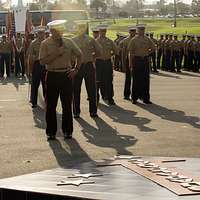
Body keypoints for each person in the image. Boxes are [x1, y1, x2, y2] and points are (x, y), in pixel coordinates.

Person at [39, 20, 83, 140]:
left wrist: (76, 69)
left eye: (61, 31)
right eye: (56, 31)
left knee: (67, 105)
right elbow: (42, 61)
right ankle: (51, 132)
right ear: (51, 31)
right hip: (52, 75)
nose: (59, 34)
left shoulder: (69, 42)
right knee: (51, 106)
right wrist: (56, 53)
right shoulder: (45, 44)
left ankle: (68, 131)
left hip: (66, 75)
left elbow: (80, 55)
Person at [72, 21, 102, 118]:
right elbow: (69, 53)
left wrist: (93, 58)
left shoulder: (91, 40)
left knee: (92, 89)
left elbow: (99, 51)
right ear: (77, 28)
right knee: (76, 90)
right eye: (79, 27)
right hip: (77, 66)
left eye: (82, 27)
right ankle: (76, 111)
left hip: (88, 66)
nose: (81, 29)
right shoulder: (72, 40)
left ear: (84, 29)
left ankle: (93, 111)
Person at [128, 24, 155, 104]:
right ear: (137, 30)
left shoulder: (147, 39)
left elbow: (153, 48)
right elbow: (130, 53)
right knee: (136, 80)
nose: (142, 31)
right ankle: (134, 98)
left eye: (143, 30)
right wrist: (130, 64)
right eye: (140, 30)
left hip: (145, 60)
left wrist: (147, 53)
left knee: (146, 80)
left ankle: (146, 98)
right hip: (137, 60)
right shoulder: (133, 40)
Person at [96, 24, 118, 105]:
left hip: (107, 62)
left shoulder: (110, 41)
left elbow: (116, 51)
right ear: (99, 32)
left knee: (109, 81)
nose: (103, 33)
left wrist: (109, 55)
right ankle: (96, 98)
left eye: (104, 31)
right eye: (101, 31)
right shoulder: (95, 41)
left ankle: (110, 98)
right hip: (98, 62)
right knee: (97, 81)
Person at [28, 26, 46, 108]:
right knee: (35, 84)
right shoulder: (33, 43)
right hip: (37, 64)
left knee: (46, 84)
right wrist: (30, 70)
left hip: (46, 65)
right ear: (37, 34)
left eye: (42, 33)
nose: (41, 35)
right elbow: (31, 56)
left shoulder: (47, 42)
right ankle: (34, 101)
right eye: (40, 33)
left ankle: (47, 101)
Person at [121, 26, 136, 100]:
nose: (133, 32)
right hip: (128, 60)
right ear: (129, 32)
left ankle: (137, 94)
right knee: (128, 78)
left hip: (136, 60)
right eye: (131, 31)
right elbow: (123, 53)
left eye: (134, 31)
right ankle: (126, 94)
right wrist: (123, 63)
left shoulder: (137, 39)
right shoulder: (126, 40)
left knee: (137, 78)